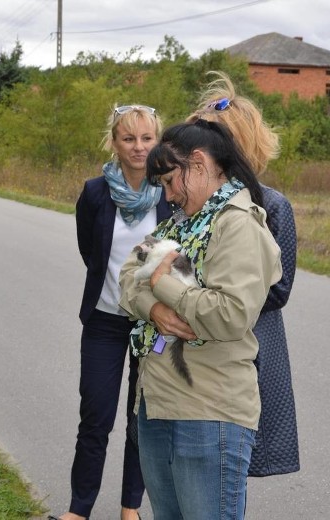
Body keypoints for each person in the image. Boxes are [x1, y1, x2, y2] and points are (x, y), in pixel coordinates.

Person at [119, 119, 282, 519]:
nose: (169, 194)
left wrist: (163, 285)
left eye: (171, 180)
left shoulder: (238, 224)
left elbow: (230, 314)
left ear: (198, 163)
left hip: (209, 414)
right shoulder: (180, 223)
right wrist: (155, 309)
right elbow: (126, 276)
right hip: (159, 404)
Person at [50, 105, 173, 520]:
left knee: (142, 417)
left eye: (147, 138)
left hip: (153, 323)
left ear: (158, 142)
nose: (139, 148)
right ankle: (79, 509)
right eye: (129, 138)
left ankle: (130, 507)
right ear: (114, 142)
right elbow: (93, 254)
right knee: (95, 417)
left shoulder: (172, 192)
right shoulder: (95, 192)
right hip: (104, 321)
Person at [187, 71, 300, 478]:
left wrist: (212, 300)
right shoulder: (184, 201)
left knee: (229, 463)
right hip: (186, 354)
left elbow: (279, 290)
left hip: (248, 348)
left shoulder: (272, 204)